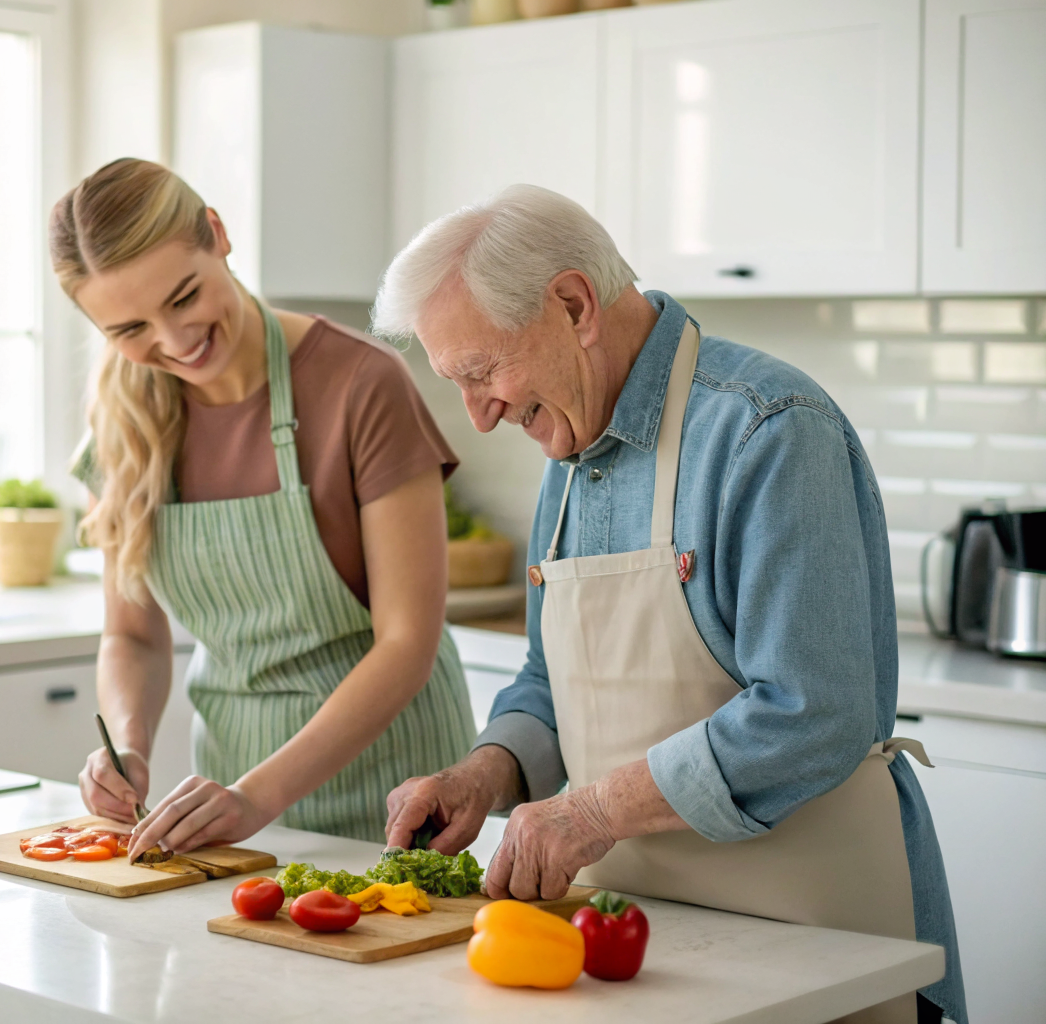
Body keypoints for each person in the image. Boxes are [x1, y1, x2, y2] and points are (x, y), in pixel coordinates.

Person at [373, 185, 964, 1024]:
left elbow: (812, 712)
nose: (479, 416)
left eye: (481, 373)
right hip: (640, 938)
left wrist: (589, 812)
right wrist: (485, 773)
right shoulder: (569, 457)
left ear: (573, 305)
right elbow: (551, 680)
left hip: (811, 932)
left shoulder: (769, 429)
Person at [53, 158, 475, 849]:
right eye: (129, 331)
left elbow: (407, 644)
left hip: (397, 795)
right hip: (230, 803)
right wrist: (127, 747)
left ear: (216, 234)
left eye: (184, 296)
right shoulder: (121, 425)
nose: (174, 340)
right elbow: (130, 635)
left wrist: (258, 796)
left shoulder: (361, 385)